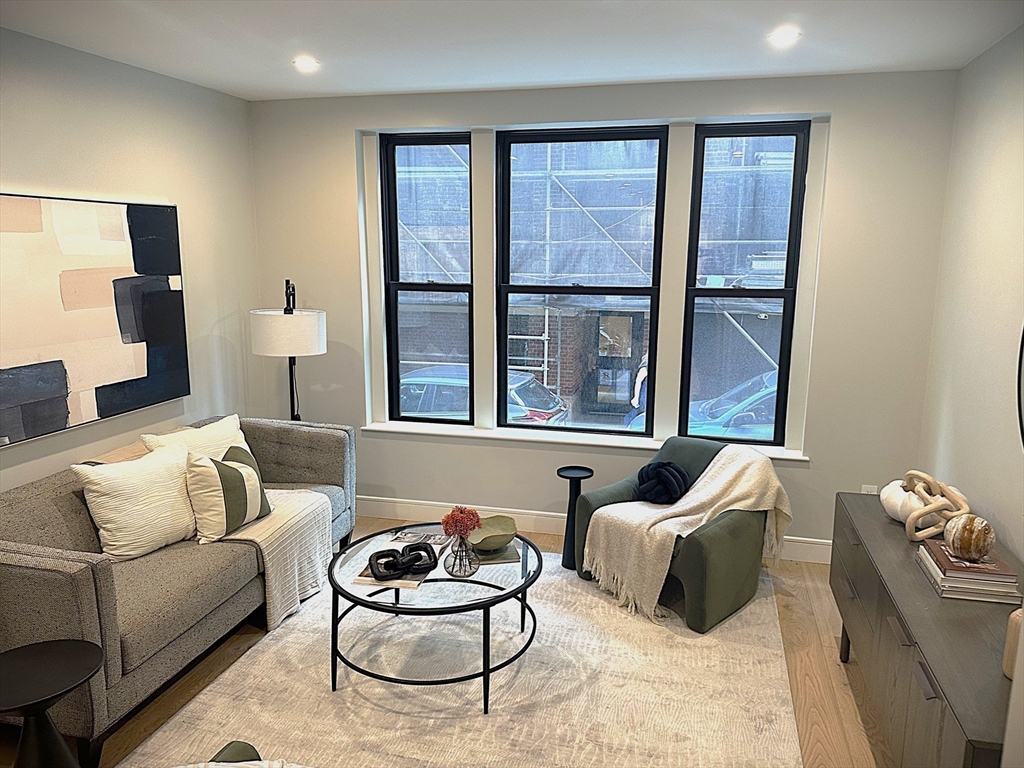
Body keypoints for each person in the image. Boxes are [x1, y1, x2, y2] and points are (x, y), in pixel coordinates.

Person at [622, 354, 648, 425]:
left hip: (645, 394)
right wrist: (636, 397)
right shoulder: (646, 365)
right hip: (644, 395)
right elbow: (638, 380)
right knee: (639, 413)